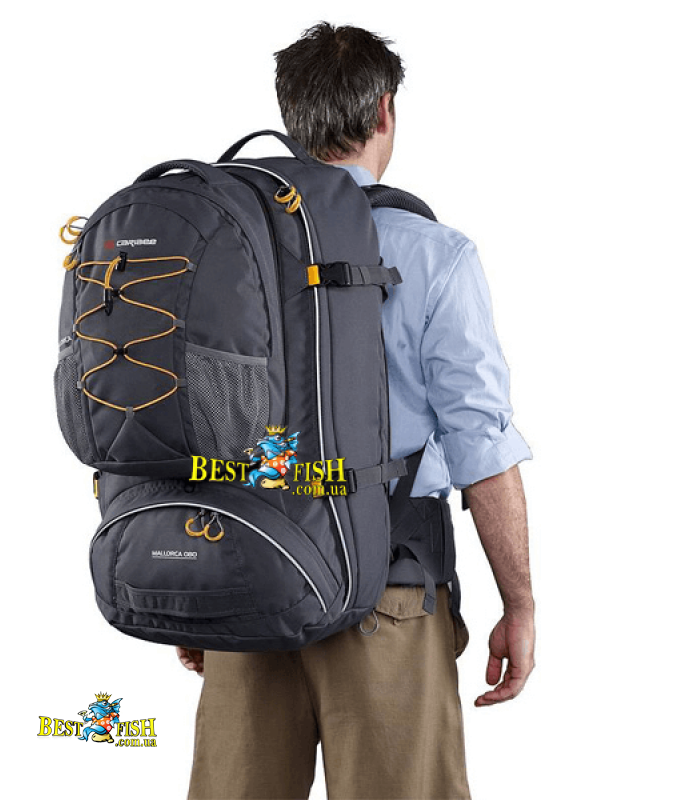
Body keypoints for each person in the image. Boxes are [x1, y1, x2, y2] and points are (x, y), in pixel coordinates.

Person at [179, 23, 535, 800]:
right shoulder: (435, 255)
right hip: (390, 592)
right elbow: (481, 447)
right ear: (384, 111)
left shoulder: (225, 249)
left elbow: (192, 418)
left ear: (290, 114)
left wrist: (199, 586)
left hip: (250, 577)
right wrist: (520, 603)